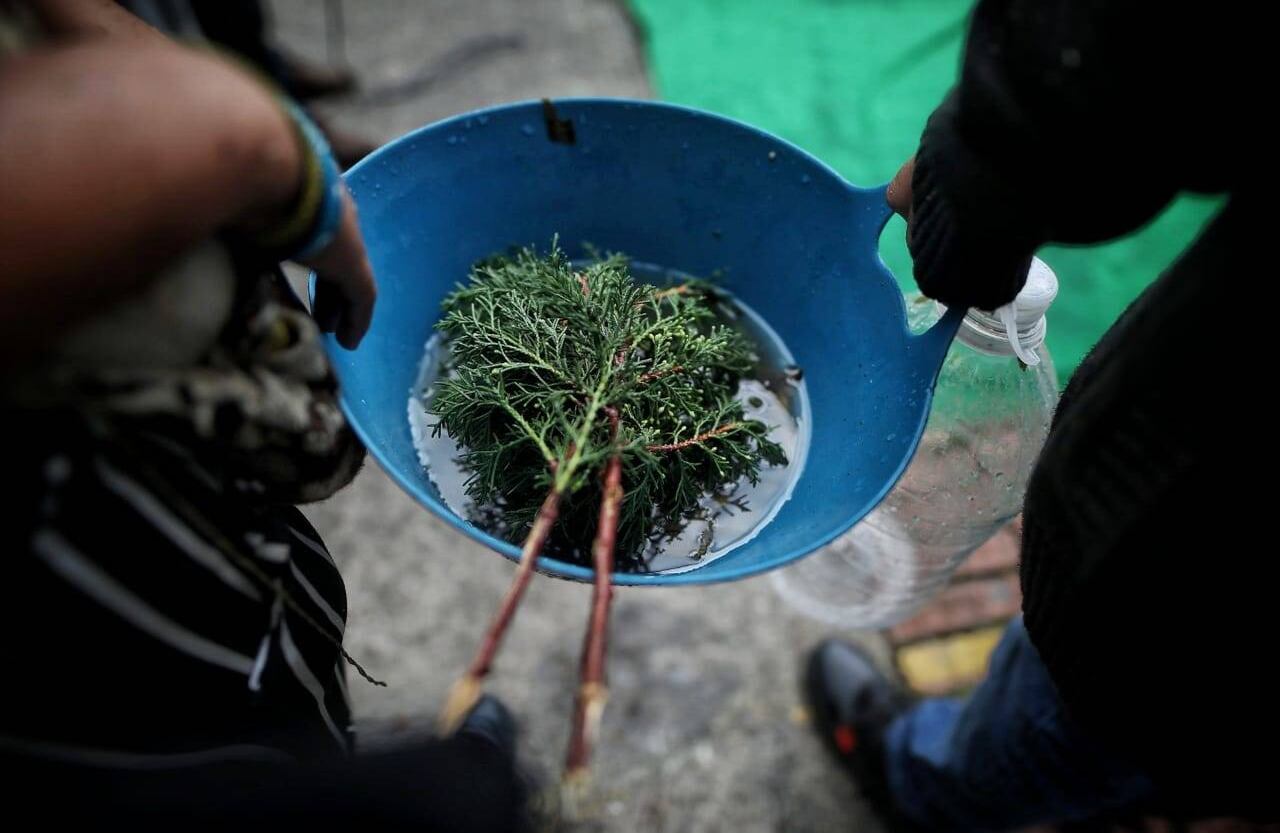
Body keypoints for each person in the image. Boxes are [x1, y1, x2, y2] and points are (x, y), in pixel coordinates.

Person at [1, 2, 527, 828]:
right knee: (215, 722)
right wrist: (294, 173)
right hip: (66, 552)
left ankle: (333, 747)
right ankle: (410, 772)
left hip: (136, 484)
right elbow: (230, 135)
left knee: (275, 644)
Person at [804, 1, 1269, 830]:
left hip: (1193, 584)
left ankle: (921, 782)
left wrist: (975, 172)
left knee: (1089, 705)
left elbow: (1154, 44)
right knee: (1199, 749)